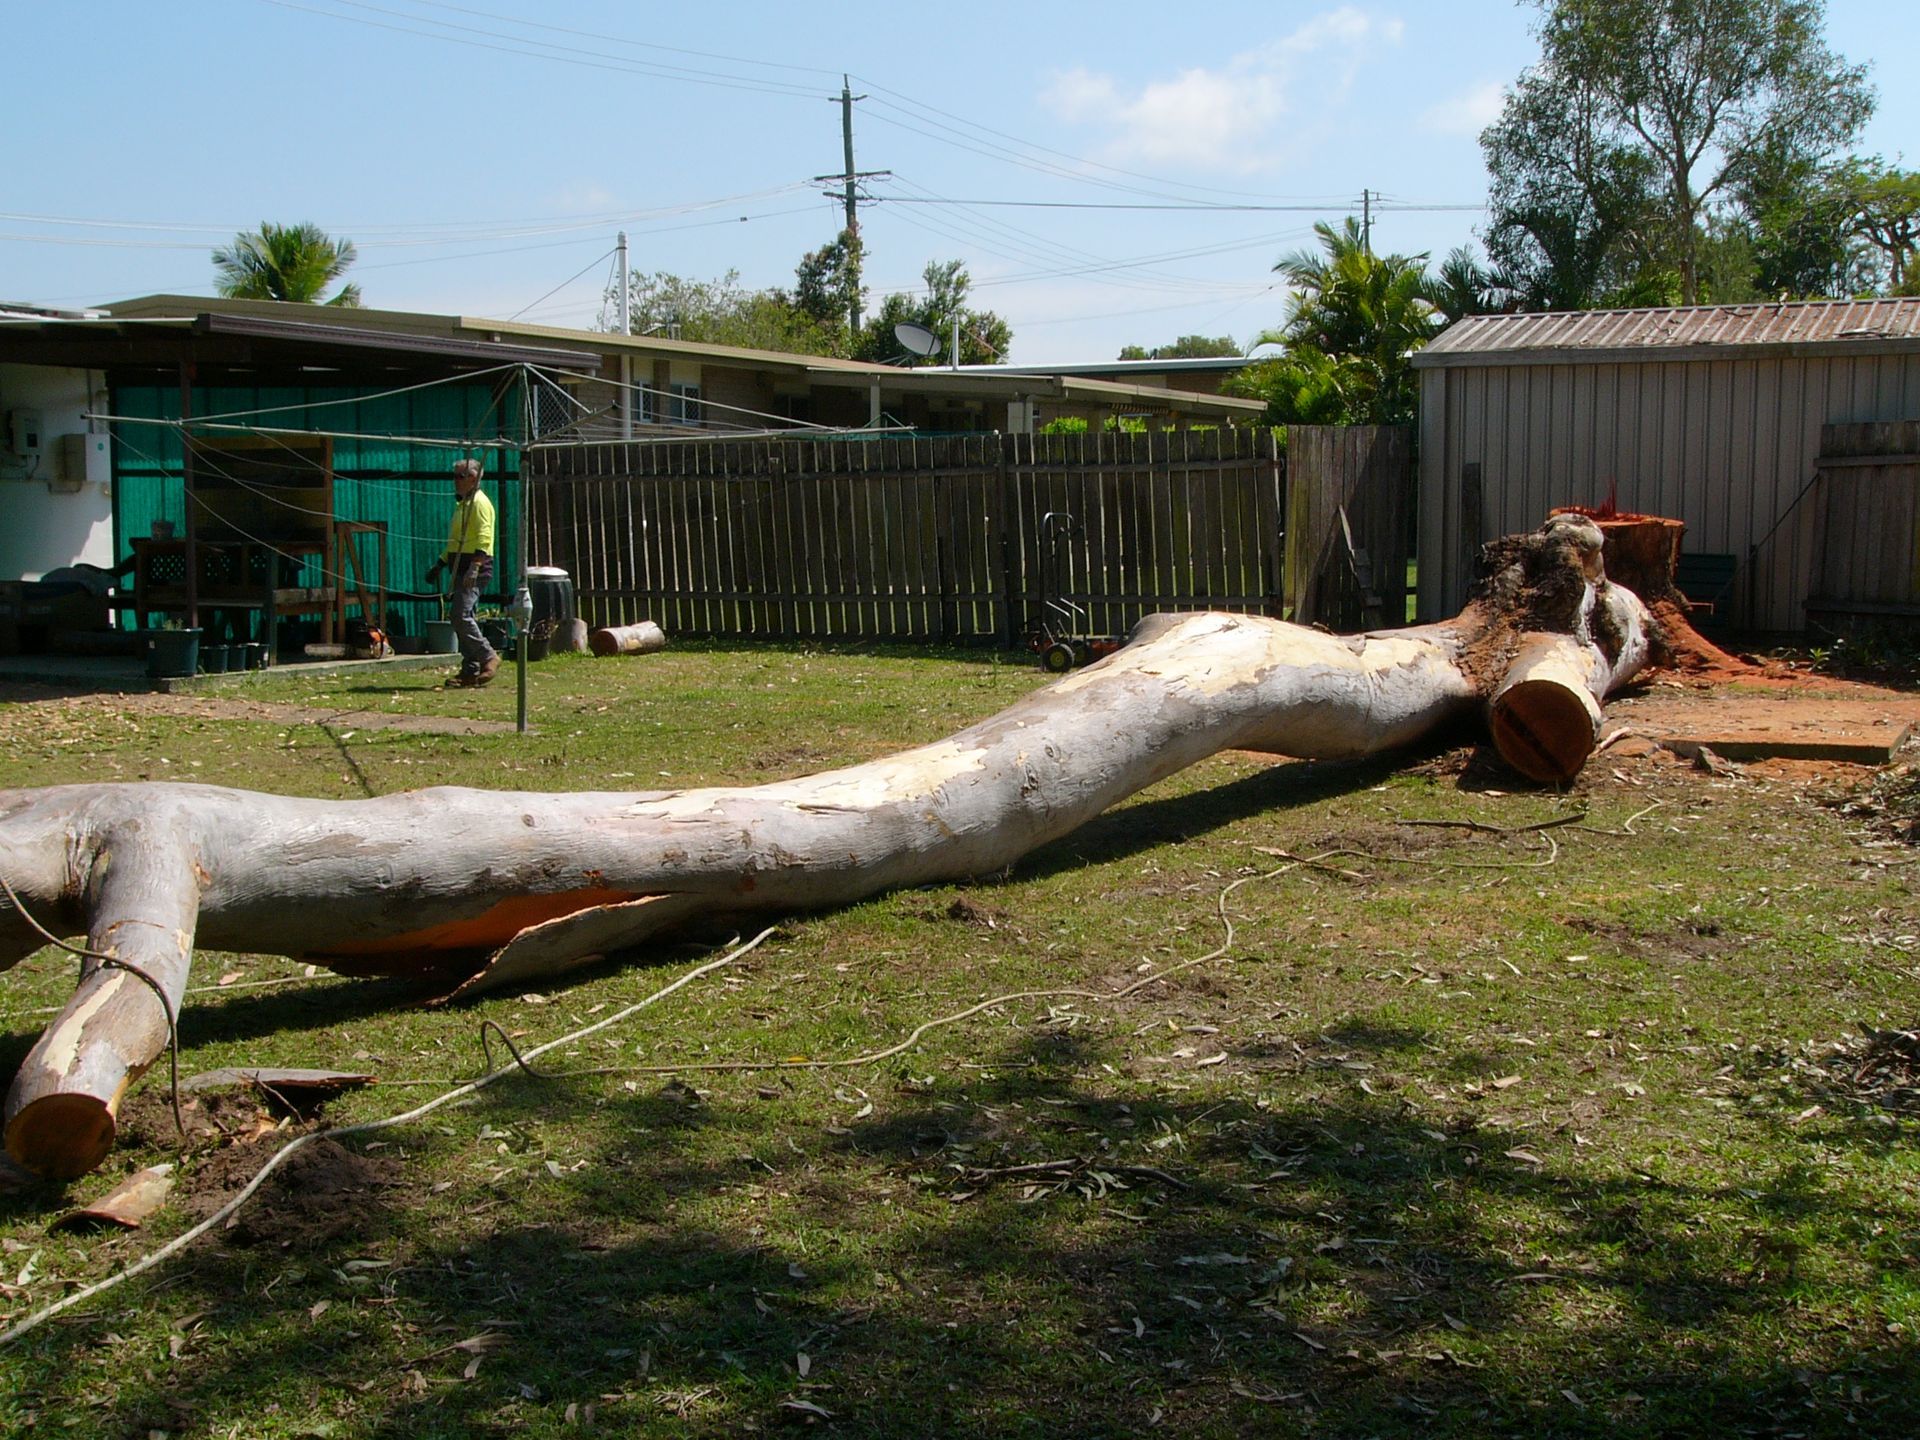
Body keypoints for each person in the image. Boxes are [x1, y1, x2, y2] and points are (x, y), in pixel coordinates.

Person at [425, 457, 499, 687]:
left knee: (461, 615)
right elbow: (455, 542)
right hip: (459, 565)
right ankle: (470, 670)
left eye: (460, 476)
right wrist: (440, 564)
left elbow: (485, 537)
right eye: (454, 476)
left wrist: (475, 568)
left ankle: (488, 656)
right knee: (462, 619)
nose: (455, 481)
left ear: (474, 478)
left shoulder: (479, 503)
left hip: (474, 567)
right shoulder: (463, 505)